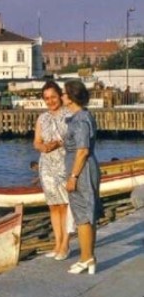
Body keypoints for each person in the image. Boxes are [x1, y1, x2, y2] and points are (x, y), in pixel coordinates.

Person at [62, 80, 102, 275]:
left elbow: (82, 150)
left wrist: (73, 176)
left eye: (63, 94)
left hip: (82, 170)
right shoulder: (80, 117)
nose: (62, 97)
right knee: (86, 213)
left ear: (71, 97)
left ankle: (86, 258)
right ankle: (89, 258)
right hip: (83, 169)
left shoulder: (80, 120)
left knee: (83, 215)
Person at [33, 81, 70, 261]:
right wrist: (43, 147)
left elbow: (74, 138)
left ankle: (65, 244)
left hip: (64, 163)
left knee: (64, 205)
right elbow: (36, 141)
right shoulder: (42, 118)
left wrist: (58, 143)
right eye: (47, 98)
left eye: (53, 97)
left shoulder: (69, 115)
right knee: (53, 205)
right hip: (46, 164)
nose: (50, 101)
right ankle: (57, 244)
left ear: (60, 96)